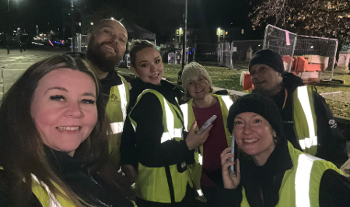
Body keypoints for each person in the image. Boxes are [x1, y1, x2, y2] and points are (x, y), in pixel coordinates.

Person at [0, 54, 134, 207]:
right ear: (24, 106)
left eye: (87, 100)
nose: (76, 111)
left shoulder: (94, 168)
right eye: (58, 97)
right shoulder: (11, 187)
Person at [120, 40, 212, 207]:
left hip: (172, 188)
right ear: (133, 69)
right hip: (160, 195)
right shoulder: (149, 99)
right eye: (144, 64)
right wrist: (188, 145)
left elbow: (164, 134)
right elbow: (148, 154)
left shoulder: (162, 92)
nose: (154, 69)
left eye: (157, 61)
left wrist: (187, 138)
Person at [219, 93, 350, 207]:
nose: (247, 130)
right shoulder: (239, 174)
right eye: (239, 123)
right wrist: (231, 191)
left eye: (257, 121)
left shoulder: (319, 174)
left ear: (274, 130)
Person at [249, 49, 348, 167]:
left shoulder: (307, 99)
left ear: (278, 71)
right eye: (252, 72)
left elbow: (334, 141)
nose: (256, 76)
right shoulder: (251, 104)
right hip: (267, 171)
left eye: (262, 69)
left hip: (308, 169)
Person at [180, 62, 234, 205]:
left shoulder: (229, 102)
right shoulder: (182, 112)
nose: (197, 85)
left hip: (233, 172)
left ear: (208, 81)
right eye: (191, 83)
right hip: (204, 179)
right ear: (186, 89)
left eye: (201, 79)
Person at [86, 19, 131, 172]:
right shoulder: (60, 76)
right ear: (89, 37)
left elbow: (125, 135)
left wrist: (127, 162)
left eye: (121, 39)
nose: (114, 40)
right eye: (107, 32)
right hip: (64, 178)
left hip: (109, 177)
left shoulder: (123, 86)